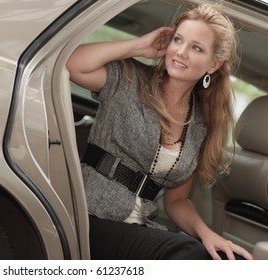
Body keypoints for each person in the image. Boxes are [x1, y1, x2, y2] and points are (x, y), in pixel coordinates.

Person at [66, 3, 253, 260]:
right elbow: (71, 64)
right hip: (87, 213)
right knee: (186, 253)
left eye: (196, 47)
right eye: (178, 40)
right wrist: (137, 46)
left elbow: (176, 202)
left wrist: (207, 234)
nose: (182, 52)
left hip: (139, 227)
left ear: (213, 65)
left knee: (226, 262)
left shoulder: (200, 125)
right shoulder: (128, 78)